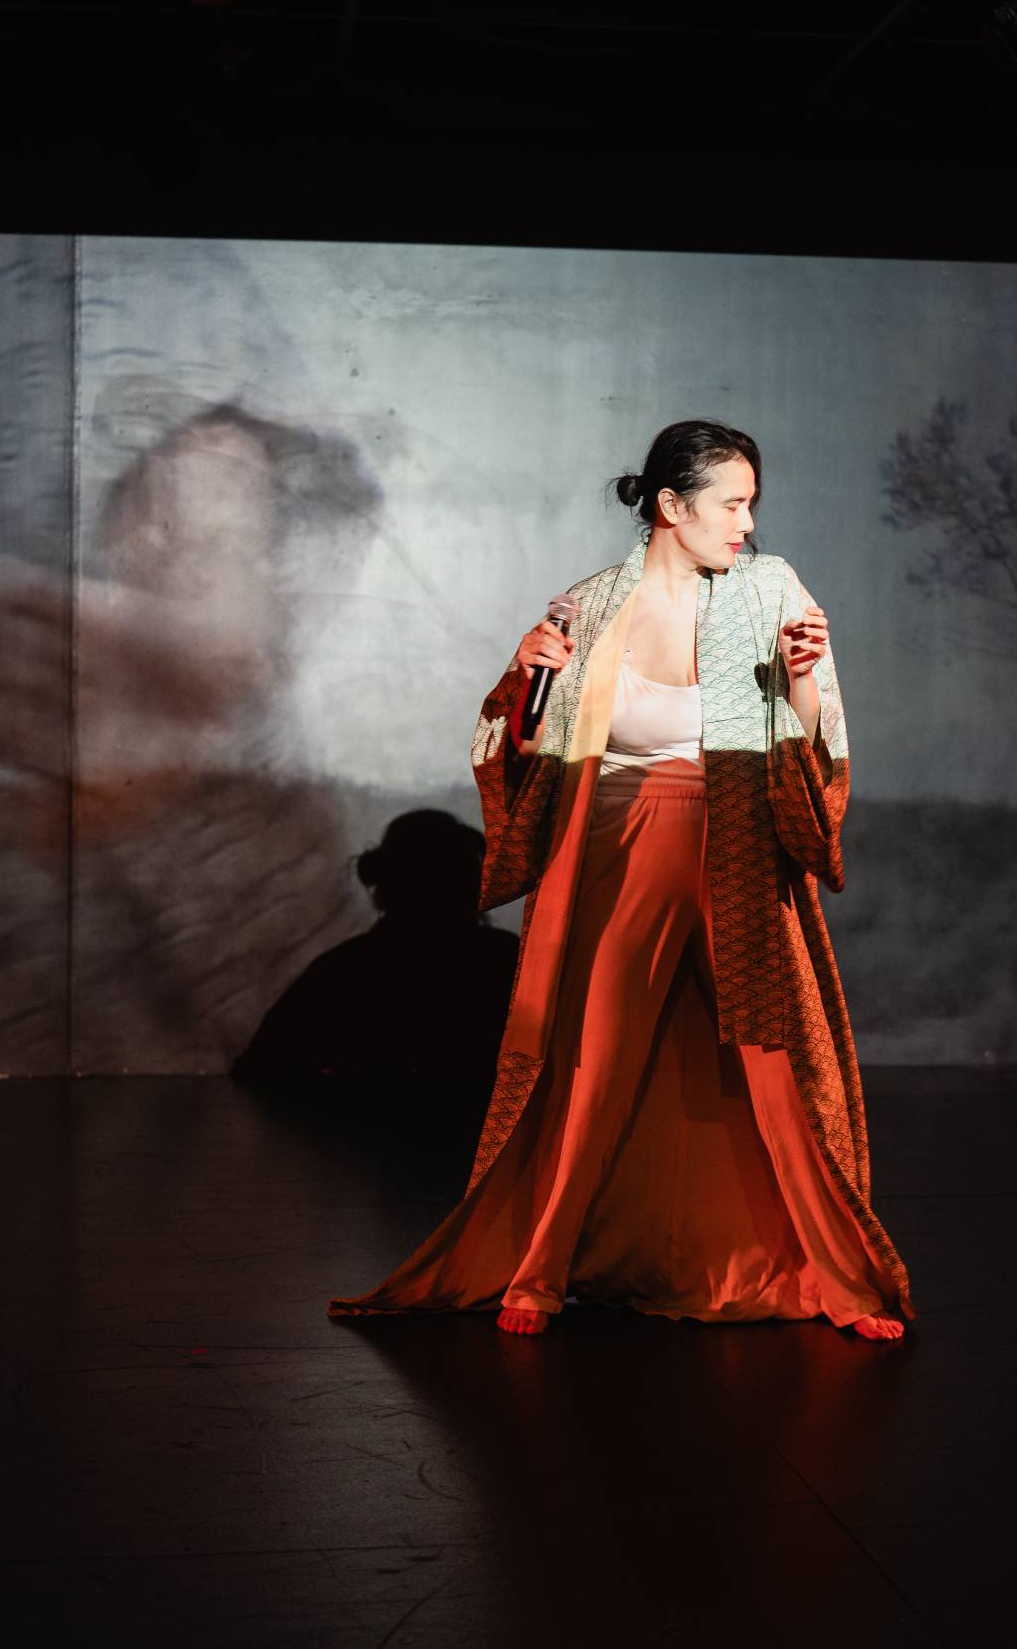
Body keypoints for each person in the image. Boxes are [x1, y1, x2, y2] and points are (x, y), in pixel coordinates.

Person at [327, 420, 915, 1341]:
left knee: (775, 1062)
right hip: (621, 844)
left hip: (738, 848)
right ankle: (541, 1265)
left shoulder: (770, 589)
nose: (745, 524)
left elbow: (813, 737)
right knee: (594, 1060)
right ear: (672, 507)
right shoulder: (591, 605)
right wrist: (524, 675)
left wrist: (801, 681)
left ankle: (837, 1275)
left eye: (751, 504)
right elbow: (524, 741)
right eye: (731, 503)